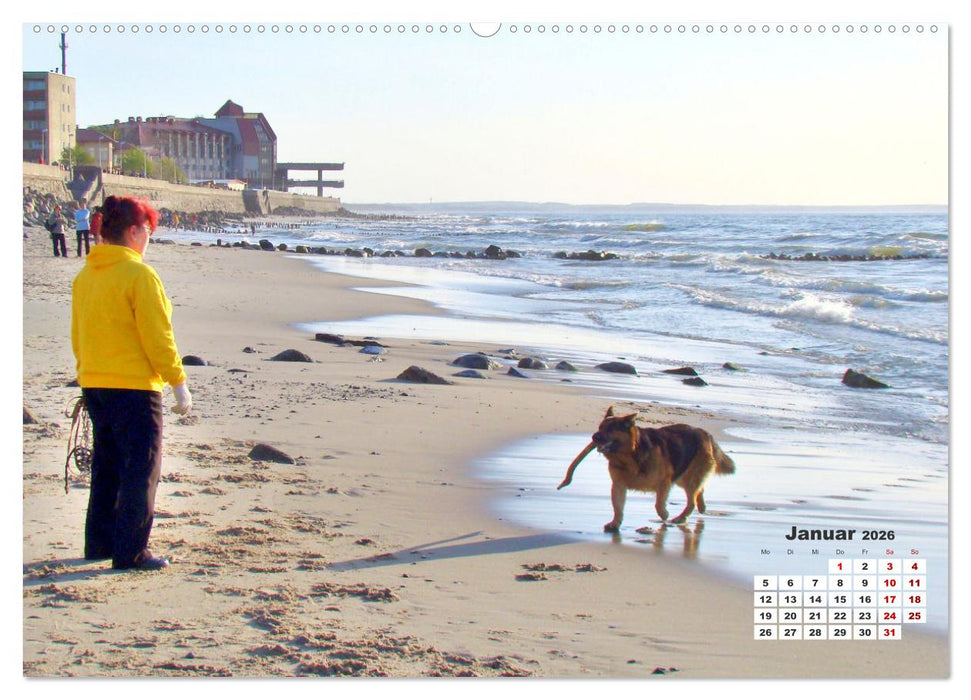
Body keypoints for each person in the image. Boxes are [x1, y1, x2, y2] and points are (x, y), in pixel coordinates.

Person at [71, 195, 193, 571]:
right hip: (135, 387)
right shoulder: (140, 275)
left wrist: (86, 372)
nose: (149, 238)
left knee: (107, 466)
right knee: (142, 468)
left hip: (94, 382)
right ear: (135, 231)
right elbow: (158, 336)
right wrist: (178, 380)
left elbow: (79, 333)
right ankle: (131, 551)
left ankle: (100, 543)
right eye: (149, 231)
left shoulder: (86, 275)